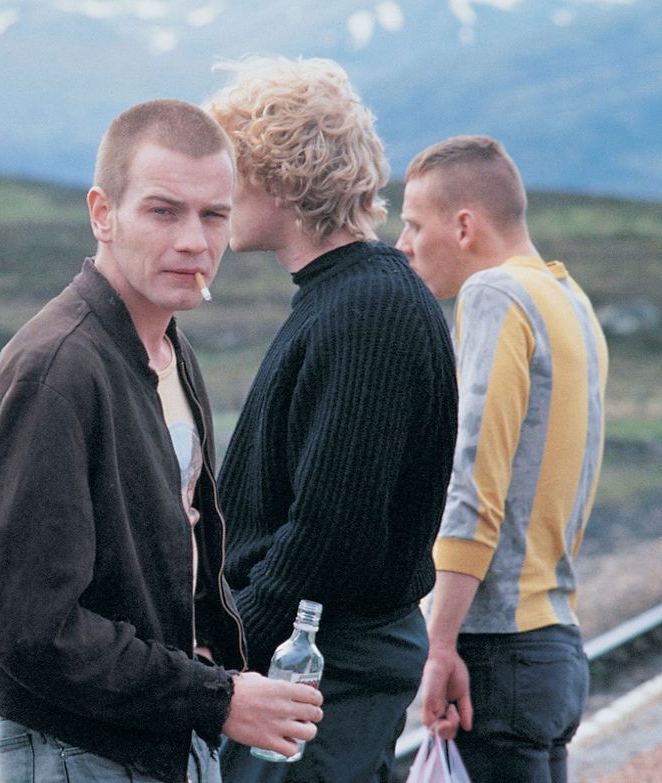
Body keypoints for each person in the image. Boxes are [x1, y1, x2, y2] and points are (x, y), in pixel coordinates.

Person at [0, 99, 323, 783]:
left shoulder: (168, 351)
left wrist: (209, 672)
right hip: (81, 751)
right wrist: (217, 698)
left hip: (155, 735)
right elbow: (30, 629)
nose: (194, 240)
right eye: (164, 211)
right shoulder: (57, 371)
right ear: (102, 213)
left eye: (214, 214)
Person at [204, 56, 458, 782]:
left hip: (319, 669)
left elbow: (327, 531)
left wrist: (223, 651)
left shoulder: (366, 311)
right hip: (313, 666)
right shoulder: (348, 296)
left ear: (280, 177)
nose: (221, 196)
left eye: (233, 171)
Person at [398, 135, 607, 782]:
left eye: (412, 223)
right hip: (555, 645)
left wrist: (438, 643)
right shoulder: (571, 303)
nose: (402, 243)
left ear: (464, 226)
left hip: (498, 651)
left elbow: (474, 485)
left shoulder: (495, 294)